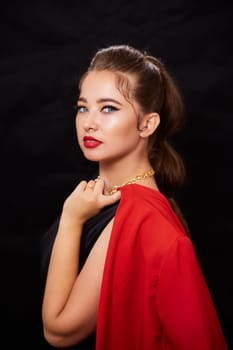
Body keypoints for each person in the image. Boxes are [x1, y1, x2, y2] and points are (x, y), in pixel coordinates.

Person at [41, 44, 228, 350]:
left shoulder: (139, 217)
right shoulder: (104, 199)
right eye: (83, 107)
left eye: (109, 108)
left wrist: (72, 219)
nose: (89, 122)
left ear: (147, 123)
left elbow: (58, 330)